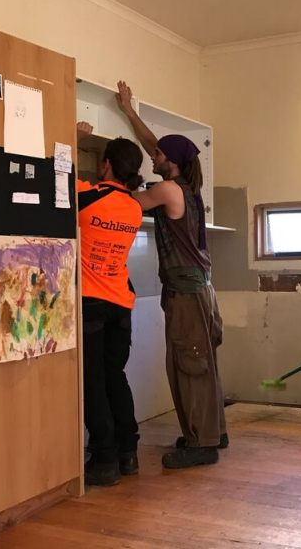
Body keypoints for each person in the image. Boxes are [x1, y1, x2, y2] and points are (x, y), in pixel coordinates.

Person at [116, 80, 228, 469]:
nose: (154, 155)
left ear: (173, 162)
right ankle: (213, 431)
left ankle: (201, 444)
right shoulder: (187, 188)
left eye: (160, 154)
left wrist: (104, 186)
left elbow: (127, 203)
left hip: (186, 294)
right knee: (202, 362)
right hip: (201, 291)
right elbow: (154, 146)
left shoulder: (167, 191)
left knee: (188, 363)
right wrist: (129, 112)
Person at [76, 121, 145, 486]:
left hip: (91, 304)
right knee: (115, 378)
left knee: (93, 383)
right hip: (122, 305)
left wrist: (72, 138)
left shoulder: (89, 196)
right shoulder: (133, 208)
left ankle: (103, 460)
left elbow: (51, 176)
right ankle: (127, 453)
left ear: (105, 165)